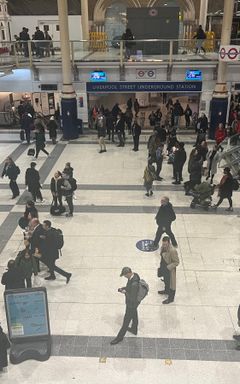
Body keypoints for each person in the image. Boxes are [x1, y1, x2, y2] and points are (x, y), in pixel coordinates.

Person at [110, 267, 140, 345]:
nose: (125, 277)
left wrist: (124, 292)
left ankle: (119, 338)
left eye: (125, 275)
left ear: (129, 273)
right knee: (134, 315)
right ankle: (134, 329)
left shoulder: (134, 284)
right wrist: (124, 288)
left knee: (126, 321)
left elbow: (132, 297)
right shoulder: (135, 276)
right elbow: (130, 289)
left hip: (131, 304)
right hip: (134, 303)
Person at [158, 236, 179, 304]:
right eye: (163, 244)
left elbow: (176, 262)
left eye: (165, 244)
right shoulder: (163, 247)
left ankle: (171, 298)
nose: (164, 245)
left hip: (169, 269)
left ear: (169, 243)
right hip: (164, 267)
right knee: (166, 281)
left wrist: (168, 267)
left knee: (171, 284)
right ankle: (166, 290)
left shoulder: (172, 250)